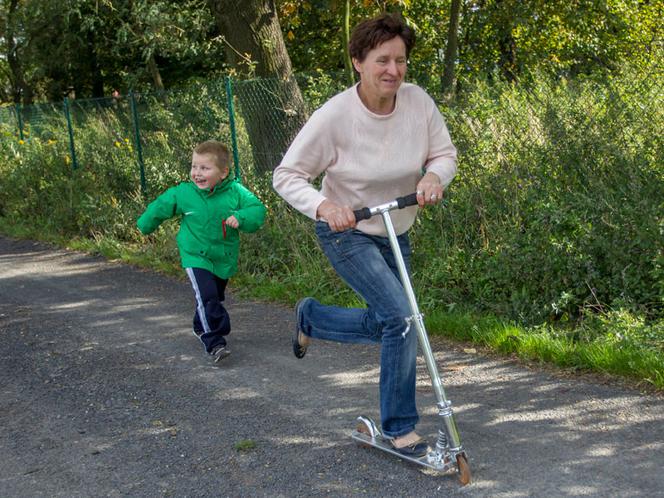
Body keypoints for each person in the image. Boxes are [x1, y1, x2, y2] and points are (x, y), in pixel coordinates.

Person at [272, 13, 457, 456]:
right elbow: (287, 174)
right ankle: (399, 427)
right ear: (358, 61)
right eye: (382, 60)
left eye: (400, 60)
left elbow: (444, 154)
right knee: (402, 319)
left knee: (395, 321)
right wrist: (325, 206)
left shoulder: (418, 103)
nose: (393, 70)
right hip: (347, 231)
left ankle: (312, 318)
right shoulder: (334, 116)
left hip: (396, 227)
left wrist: (434, 177)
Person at [138, 140, 266, 362]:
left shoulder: (235, 191)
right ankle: (214, 341)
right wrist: (144, 225)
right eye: (194, 166)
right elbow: (160, 206)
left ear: (223, 172)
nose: (197, 173)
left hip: (223, 256)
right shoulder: (184, 193)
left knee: (213, 297)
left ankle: (201, 324)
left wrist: (242, 217)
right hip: (195, 254)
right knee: (206, 296)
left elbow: (257, 209)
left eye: (205, 168)